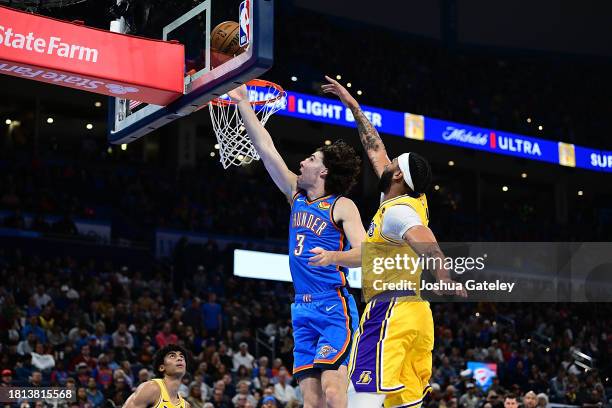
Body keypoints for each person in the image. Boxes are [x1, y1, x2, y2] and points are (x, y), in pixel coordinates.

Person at [321, 76, 465, 408]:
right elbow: (374, 147)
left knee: (361, 397)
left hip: (390, 311)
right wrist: (353, 106)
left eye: (394, 163)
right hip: (418, 314)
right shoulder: (409, 197)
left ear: (397, 175)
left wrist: (444, 276)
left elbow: (426, 241)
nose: (387, 162)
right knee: (402, 404)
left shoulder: (398, 213)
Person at [228, 85, 365, 408]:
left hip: (333, 307)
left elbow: (366, 253)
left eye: (311, 159)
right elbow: (265, 147)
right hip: (301, 309)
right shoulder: (295, 195)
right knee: (311, 401)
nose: (302, 162)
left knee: (333, 391)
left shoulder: (342, 206)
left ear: (324, 171)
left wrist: (334, 256)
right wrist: (243, 102)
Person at [122, 345, 192, 408]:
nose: (180, 359)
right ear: (162, 367)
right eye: (172, 356)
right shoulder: (151, 388)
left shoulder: (186, 405)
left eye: (182, 356)